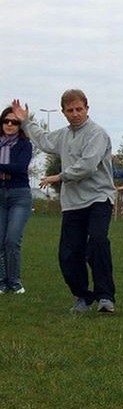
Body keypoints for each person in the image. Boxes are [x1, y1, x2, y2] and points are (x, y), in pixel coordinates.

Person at [12, 91, 117, 313]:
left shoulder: (97, 134)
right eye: (70, 110)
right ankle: (83, 296)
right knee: (68, 254)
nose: (75, 114)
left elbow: (87, 166)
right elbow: (43, 139)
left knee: (97, 242)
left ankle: (106, 297)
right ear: (64, 112)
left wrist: (59, 177)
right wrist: (25, 122)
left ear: (87, 108)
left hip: (99, 197)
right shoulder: (63, 135)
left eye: (79, 109)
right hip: (72, 203)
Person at [0, 106, 32, 295]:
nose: (10, 125)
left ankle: (15, 281)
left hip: (19, 195)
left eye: (15, 122)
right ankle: (2, 281)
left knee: (12, 239)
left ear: (20, 126)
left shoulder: (24, 145)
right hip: (0, 195)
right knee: (0, 241)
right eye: (6, 121)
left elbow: (20, 168)